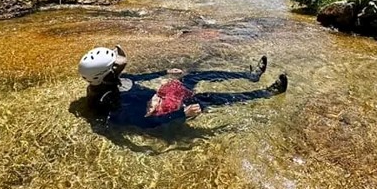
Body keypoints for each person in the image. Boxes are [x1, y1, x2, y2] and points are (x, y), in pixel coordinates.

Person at [77, 45, 288, 129]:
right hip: (166, 110)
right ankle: (266, 93)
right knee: (207, 97)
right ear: (108, 73)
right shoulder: (108, 100)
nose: (121, 65)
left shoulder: (108, 79)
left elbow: (137, 77)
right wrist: (181, 114)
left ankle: (249, 76)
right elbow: (141, 121)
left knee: (194, 76)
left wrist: (164, 73)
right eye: (116, 65)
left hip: (162, 96)